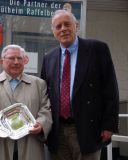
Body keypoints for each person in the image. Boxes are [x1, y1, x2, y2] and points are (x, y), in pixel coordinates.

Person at [41, 9, 119, 160]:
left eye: (67, 24)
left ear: (76, 26)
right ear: (54, 32)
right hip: (57, 131)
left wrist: (109, 125)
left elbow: (110, 89)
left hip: (88, 128)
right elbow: (44, 95)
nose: (63, 29)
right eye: (58, 26)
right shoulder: (49, 58)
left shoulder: (97, 49)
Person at [0, 44, 53, 160]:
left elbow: (46, 109)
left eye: (20, 58)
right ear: (2, 61)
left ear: (24, 61)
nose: (16, 62)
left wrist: (41, 124)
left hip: (30, 142)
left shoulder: (39, 84)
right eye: (11, 58)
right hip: (0, 142)